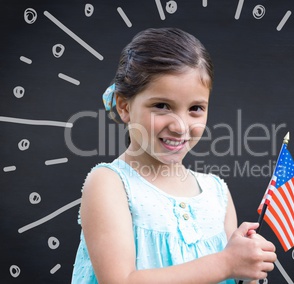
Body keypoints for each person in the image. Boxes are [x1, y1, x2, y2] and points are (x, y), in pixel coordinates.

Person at [71, 27, 276, 284]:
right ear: (124, 106)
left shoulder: (217, 193)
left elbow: (225, 276)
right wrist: (226, 263)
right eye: (162, 106)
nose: (180, 126)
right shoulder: (110, 184)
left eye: (195, 109)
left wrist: (245, 269)